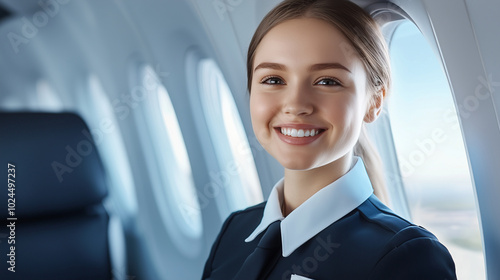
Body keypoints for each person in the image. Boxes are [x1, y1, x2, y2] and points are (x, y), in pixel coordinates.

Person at [201, 0, 457, 279]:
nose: (296, 104)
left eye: (327, 81)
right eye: (274, 80)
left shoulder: (408, 256)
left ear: (374, 102)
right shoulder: (235, 230)